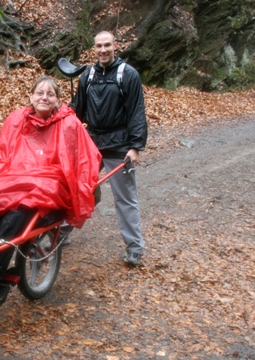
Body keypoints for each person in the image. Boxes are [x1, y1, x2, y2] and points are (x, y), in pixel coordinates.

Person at [0, 76, 102, 305]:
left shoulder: (69, 124)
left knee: (21, 210)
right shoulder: (17, 119)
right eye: (39, 93)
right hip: (17, 178)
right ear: (31, 96)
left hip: (49, 185)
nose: (44, 98)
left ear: (58, 100)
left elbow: (80, 162)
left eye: (50, 94)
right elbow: (1, 153)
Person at [73, 30, 148, 267]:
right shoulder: (88, 76)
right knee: (76, 189)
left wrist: (135, 146)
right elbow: (78, 111)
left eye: (107, 45)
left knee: (125, 198)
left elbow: (137, 111)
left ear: (115, 46)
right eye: (99, 46)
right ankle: (59, 233)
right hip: (92, 142)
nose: (103, 50)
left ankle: (134, 248)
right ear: (93, 48)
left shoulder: (129, 75)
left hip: (119, 145)